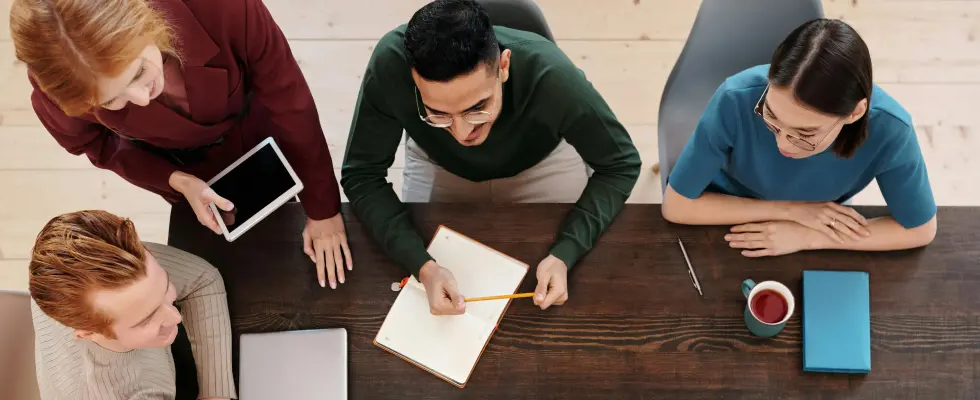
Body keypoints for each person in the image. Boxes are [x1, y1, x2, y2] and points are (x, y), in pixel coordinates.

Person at [10, 0, 351, 289]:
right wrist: (174, 179)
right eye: (112, 101)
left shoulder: (222, 8)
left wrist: (323, 210)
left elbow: (288, 100)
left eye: (138, 73)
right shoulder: (59, 83)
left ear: (145, 20)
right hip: (179, 164)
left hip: (254, 129)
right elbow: (97, 145)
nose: (142, 99)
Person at [341, 0, 641, 315]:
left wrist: (567, 251)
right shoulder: (390, 63)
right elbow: (362, 174)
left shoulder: (552, 76)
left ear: (504, 66)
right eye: (438, 113)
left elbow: (620, 164)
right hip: (438, 161)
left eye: (477, 107)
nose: (462, 133)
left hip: (540, 163)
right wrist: (423, 266)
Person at [662, 19, 937, 257]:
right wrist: (792, 211)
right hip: (726, 203)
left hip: (817, 219)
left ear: (854, 113)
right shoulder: (735, 98)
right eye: (771, 117)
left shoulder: (891, 129)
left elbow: (920, 229)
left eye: (805, 133)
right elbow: (677, 206)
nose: (782, 144)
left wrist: (807, 237)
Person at [28, 210, 235, 399]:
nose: (176, 317)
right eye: (146, 319)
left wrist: (216, 393)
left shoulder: (77, 268)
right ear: (87, 333)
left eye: (165, 287)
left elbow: (203, 279)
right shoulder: (132, 393)